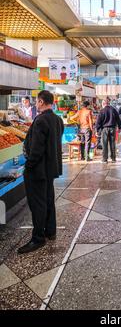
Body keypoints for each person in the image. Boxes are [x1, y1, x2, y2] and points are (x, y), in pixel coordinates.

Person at [18, 90, 64, 254]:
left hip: (38, 171)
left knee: (37, 204)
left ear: (42, 102)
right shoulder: (58, 120)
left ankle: (38, 238)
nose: (36, 105)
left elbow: (36, 149)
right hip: (50, 169)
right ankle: (50, 231)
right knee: (48, 200)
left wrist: (28, 166)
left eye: (37, 102)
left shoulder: (40, 121)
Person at [96, 97, 121, 163]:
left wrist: (97, 130)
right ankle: (113, 159)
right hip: (113, 129)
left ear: (104, 104)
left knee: (104, 145)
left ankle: (105, 159)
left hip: (104, 129)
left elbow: (98, 122)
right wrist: (119, 127)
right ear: (108, 103)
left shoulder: (102, 111)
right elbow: (118, 119)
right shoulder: (113, 110)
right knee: (112, 144)